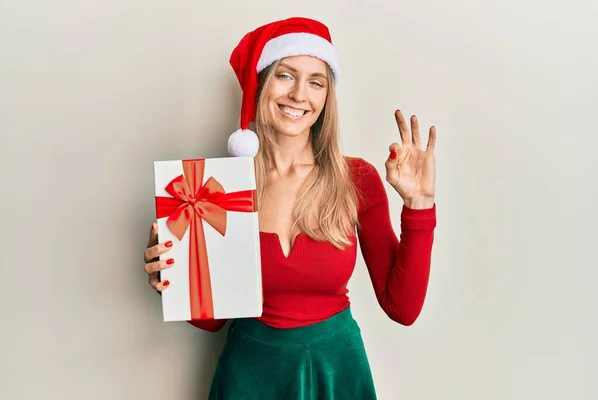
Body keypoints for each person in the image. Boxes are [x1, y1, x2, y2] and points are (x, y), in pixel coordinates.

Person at [143, 17, 437, 399]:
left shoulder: (357, 179)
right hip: (251, 374)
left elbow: (403, 308)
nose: (300, 94)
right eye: (285, 75)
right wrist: (171, 280)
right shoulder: (218, 189)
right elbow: (212, 322)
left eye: (316, 81)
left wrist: (419, 205)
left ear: (327, 97)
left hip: (337, 372)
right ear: (261, 85)